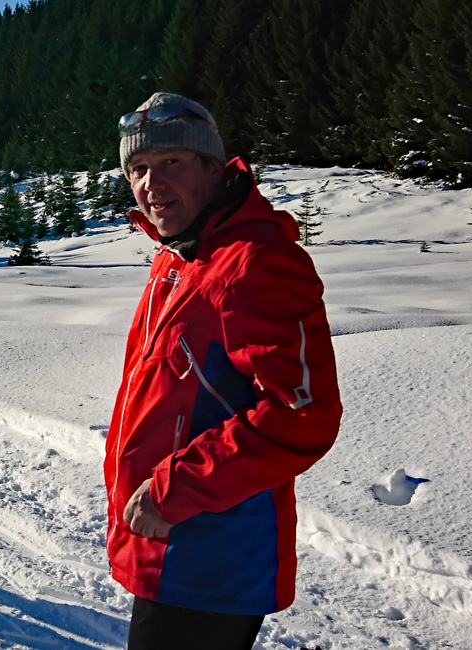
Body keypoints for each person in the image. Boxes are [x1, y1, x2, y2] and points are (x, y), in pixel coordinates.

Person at [104, 92, 343, 649]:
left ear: (214, 168)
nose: (151, 184)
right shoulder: (181, 257)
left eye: (171, 164)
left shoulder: (254, 263)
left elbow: (303, 415)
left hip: (213, 556)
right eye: (138, 169)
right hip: (171, 542)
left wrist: (172, 490)